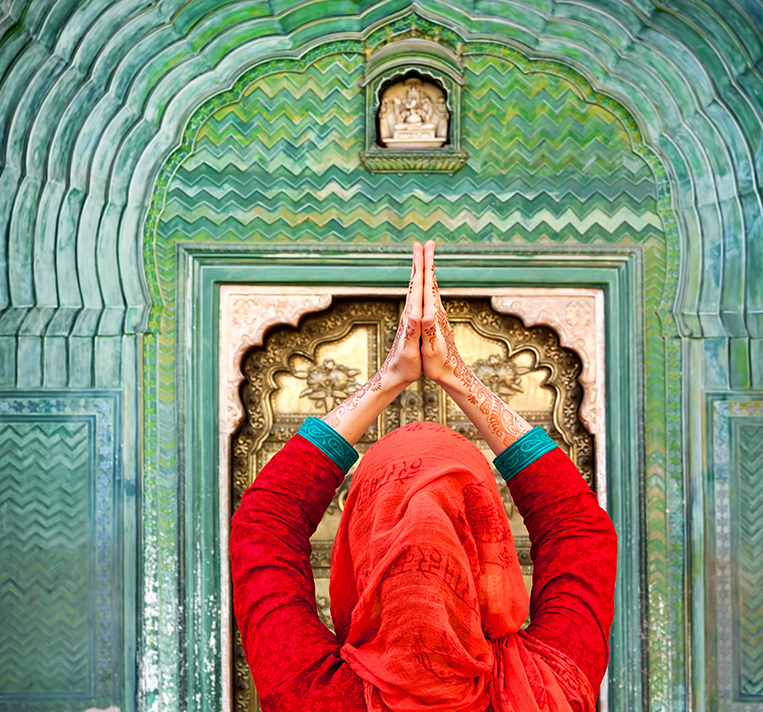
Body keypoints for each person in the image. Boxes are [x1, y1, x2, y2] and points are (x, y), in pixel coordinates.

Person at [230, 241, 617, 711]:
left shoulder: (311, 692)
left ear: (361, 544)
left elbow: (264, 524)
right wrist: (457, 375)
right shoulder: (547, 687)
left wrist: (389, 378)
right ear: (485, 541)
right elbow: (579, 533)